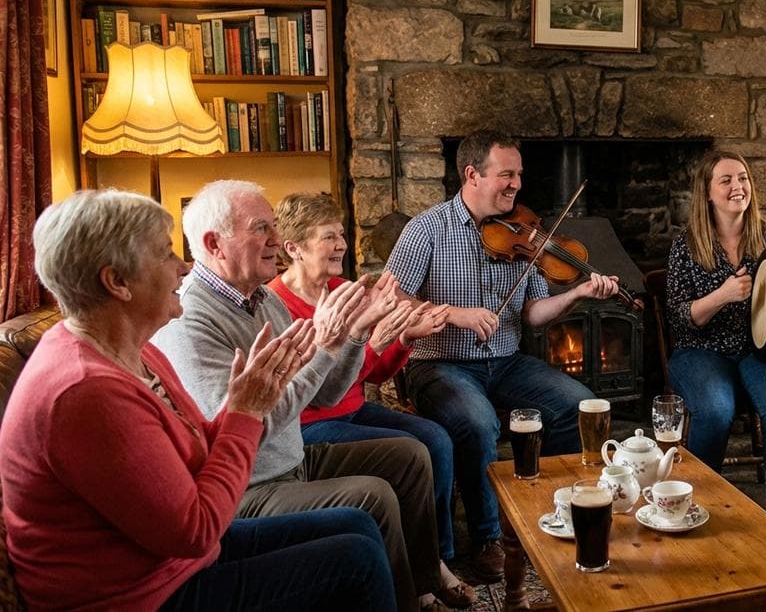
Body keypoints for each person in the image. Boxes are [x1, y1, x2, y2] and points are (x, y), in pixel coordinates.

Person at [0, 189, 395, 611]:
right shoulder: (83, 390)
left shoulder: (137, 350)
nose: (183, 267)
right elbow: (196, 531)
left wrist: (250, 400)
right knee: (355, 558)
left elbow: (201, 444)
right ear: (117, 282)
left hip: (172, 560)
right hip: (142, 592)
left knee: (357, 525)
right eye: (164, 254)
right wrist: (246, 411)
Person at [152, 180, 472, 611]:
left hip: (293, 459)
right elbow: (248, 428)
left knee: (412, 455)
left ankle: (421, 582)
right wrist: (326, 346)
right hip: (252, 485)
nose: (274, 240)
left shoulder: (264, 299)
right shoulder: (191, 320)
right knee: (373, 494)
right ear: (215, 244)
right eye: (260, 228)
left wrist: (354, 336)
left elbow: (323, 394)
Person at [386, 130, 620, 581]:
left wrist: (578, 293)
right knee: (477, 423)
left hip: (508, 361)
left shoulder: (524, 232)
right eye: (506, 175)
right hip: (440, 363)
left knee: (578, 404)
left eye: (519, 175)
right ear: (473, 175)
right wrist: (453, 313)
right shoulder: (425, 230)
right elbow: (392, 302)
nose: (516, 185)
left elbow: (534, 314)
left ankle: (554, 512)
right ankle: (489, 536)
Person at [269, 192, 467, 576]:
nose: (341, 244)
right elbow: (325, 393)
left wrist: (406, 339)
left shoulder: (344, 289)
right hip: (312, 424)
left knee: (437, 438)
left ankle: (437, 556)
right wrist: (373, 341)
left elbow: (374, 375)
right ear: (294, 248)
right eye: (329, 236)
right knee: (414, 447)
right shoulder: (278, 305)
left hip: (355, 409)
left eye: (341, 234)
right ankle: (424, 569)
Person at [664, 150, 766, 529]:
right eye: (727, 180)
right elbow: (680, 316)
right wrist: (724, 295)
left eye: (743, 178)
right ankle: (699, 503)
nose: (738, 187)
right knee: (716, 412)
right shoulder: (687, 245)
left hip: (761, 348)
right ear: (708, 193)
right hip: (701, 349)